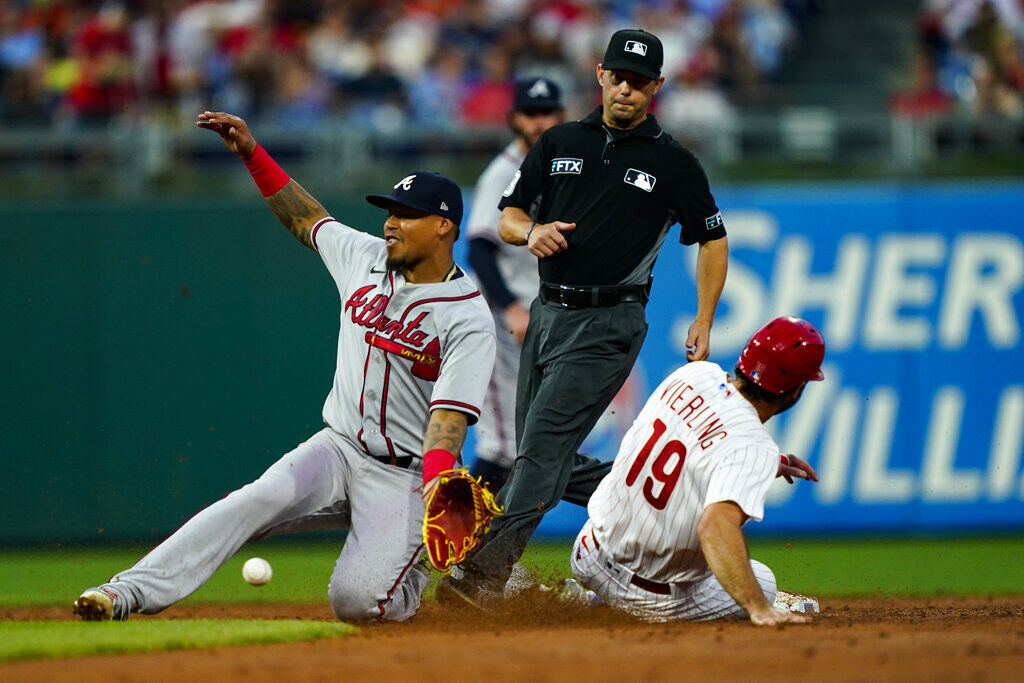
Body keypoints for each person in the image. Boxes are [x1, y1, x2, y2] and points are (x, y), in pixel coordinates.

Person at [72, 111, 495, 623]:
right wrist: (253, 154)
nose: (390, 222)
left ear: (444, 226)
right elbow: (307, 218)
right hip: (337, 448)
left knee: (358, 603)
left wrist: (435, 481)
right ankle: (124, 593)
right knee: (249, 502)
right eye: (389, 210)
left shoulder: (468, 315)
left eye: (405, 213)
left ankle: (418, 587)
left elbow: (448, 421)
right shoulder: (364, 256)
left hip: (403, 475)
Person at [442, 28, 729, 604]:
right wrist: (534, 231)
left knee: (539, 447)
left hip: (609, 321)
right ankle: (668, 500)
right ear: (600, 75)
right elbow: (507, 220)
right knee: (540, 454)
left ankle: (482, 574)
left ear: (657, 87)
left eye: (640, 80)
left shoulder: (673, 162)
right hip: (549, 313)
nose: (626, 88)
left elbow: (713, 239)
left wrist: (704, 316)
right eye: (618, 76)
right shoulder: (558, 142)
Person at [571, 316, 824, 625]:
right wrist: (759, 607)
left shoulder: (695, 374)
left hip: (588, 552)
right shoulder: (753, 447)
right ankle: (606, 603)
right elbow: (715, 528)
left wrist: (769, 462)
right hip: (645, 597)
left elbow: (700, 443)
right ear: (795, 391)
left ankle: (589, 596)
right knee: (764, 581)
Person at [466, 76, 565, 492]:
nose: (539, 121)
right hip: (499, 319)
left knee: (529, 440)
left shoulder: (561, 165)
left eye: (547, 112)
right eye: (531, 113)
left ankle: (484, 548)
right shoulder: (504, 172)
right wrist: (510, 306)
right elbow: (478, 248)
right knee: (503, 445)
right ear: (513, 119)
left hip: (540, 317)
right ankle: (456, 544)